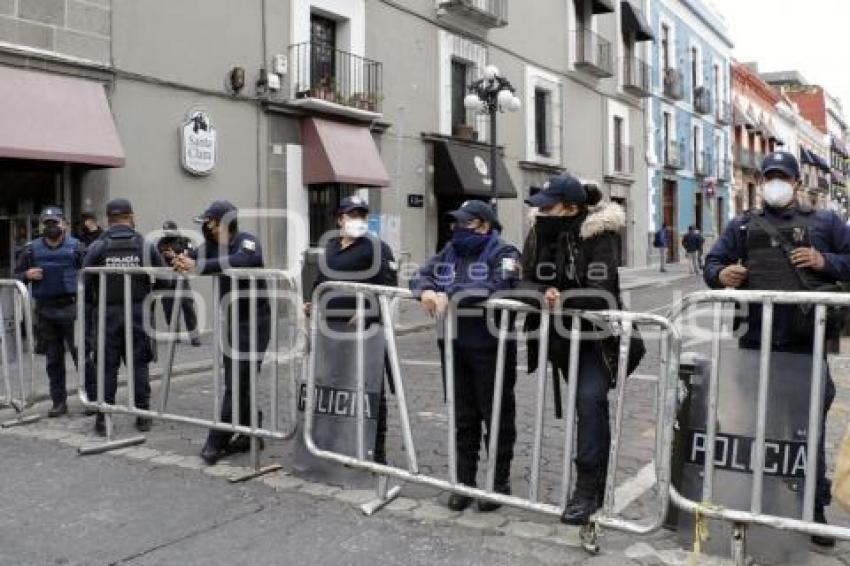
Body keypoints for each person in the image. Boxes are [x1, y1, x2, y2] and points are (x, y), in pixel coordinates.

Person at [704, 150, 850, 548]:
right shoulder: (742, 225)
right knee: (758, 428)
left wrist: (826, 261)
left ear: (797, 183)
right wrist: (721, 273)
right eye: (769, 176)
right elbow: (712, 263)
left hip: (807, 344)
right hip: (756, 343)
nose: (774, 182)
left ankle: (813, 509)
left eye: (782, 176)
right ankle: (761, 503)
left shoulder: (826, 222)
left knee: (808, 430)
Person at [518, 174, 627, 525]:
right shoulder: (538, 233)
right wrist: (542, 294)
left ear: (571, 207)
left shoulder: (600, 235)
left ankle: (588, 489)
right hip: (559, 338)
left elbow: (601, 288)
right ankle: (589, 484)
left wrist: (561, 298)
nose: (542, 212)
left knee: (590, 402)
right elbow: (523, 279)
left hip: (596, 338)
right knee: (586, 405)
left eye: (549, 206)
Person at [410, 200, 520, 512]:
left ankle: (497, 484)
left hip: (491, 348)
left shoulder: (505, 253)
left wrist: (453, 293)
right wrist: (426, 290)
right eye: (456, 222)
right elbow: (422, 273)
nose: (458, 228)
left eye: (466, 222)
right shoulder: (450, 251)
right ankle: (464, 482)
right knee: (462, 416)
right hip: (454, 346)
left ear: (484, 224)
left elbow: (499, 286)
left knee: (496, 415)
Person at [173, 200, 271, 465]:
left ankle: (217, 440)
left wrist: (199, 265)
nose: (205, 227)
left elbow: (241, 260)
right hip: (232, 321)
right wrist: (182, 260)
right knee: (238, 378)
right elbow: (194, 256)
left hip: (255, 321)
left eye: (209, 222)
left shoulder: (247, 242)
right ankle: (254, 431)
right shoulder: (212, 247)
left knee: (239, 378)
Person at [305, 196, 398, 465]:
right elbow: (322, 280)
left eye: (362, 216)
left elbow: (389, 289)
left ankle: (374, 451)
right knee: (337, 388)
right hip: (331, 332)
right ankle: (341, 445)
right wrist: (314, 302)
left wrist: (368, 310)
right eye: (351, 215)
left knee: (369, 390)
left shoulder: (377, 247)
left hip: (365, 332)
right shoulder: (332, 246)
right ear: (339, 219)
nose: (357, 220)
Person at [83, 199, 163, 435]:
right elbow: (164, 279)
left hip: (107, 314)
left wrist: (92, 309)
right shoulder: (145, 245)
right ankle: (143, 415)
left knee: (107, 367)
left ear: (109, 219)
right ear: (131, 216)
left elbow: (85, 282)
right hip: (138, 311)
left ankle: (103, 418)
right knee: (138, 365)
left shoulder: (98, 246)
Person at [14, 206, 85, 417]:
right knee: (53, 360)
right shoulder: (30, 250)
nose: (52, 226)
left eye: (55, 222)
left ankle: (90, 399)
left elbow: (92, 274)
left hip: (73, 309)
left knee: (81, 357)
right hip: (45, 311)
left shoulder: (78, 248)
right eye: (47, 223)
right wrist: (27, 274)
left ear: (64, 224)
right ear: (40, 226)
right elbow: (15, 276)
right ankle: (58, 402)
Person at [157, 220, 201, 346]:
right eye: (165, 231)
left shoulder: (184, 240)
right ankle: (174, 334)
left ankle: (194, 336)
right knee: (168, 307)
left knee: (187, 305)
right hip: (167, 277)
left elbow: (190, 255)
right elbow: (159, 257)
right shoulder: (161, 242)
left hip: (181, 276)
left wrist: (174, 255)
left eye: (169, 230)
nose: (167, 233)